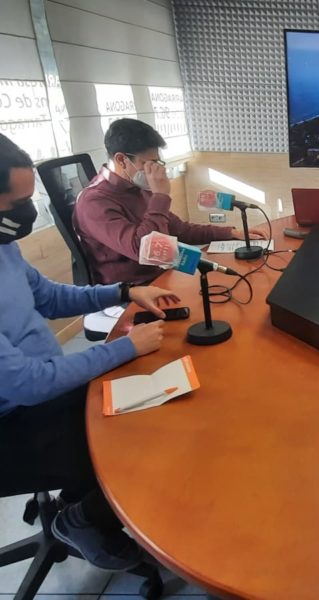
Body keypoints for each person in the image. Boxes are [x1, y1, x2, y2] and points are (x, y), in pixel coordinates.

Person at [0, 133, 178, 570]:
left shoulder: (3, 248)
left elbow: (51, 298)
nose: (27, 214)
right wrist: (124, 347)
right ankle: (81, 519)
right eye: (16, 204)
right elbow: (26, 383)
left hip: (44, 390)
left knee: (152, 400)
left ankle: (78, 497)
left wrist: (124, 291)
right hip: (14, 422)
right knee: (136, 434)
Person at [73, 118, 270, 285]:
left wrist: (229, 233)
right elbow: (144, 250)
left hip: (162, 277)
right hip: (130, 294)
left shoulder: (138, 188)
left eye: (157, 162)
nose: (154, 170)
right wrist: (160, 196)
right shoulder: (94, 202)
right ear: (121, 160)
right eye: (148, 163)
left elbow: (179, 229)